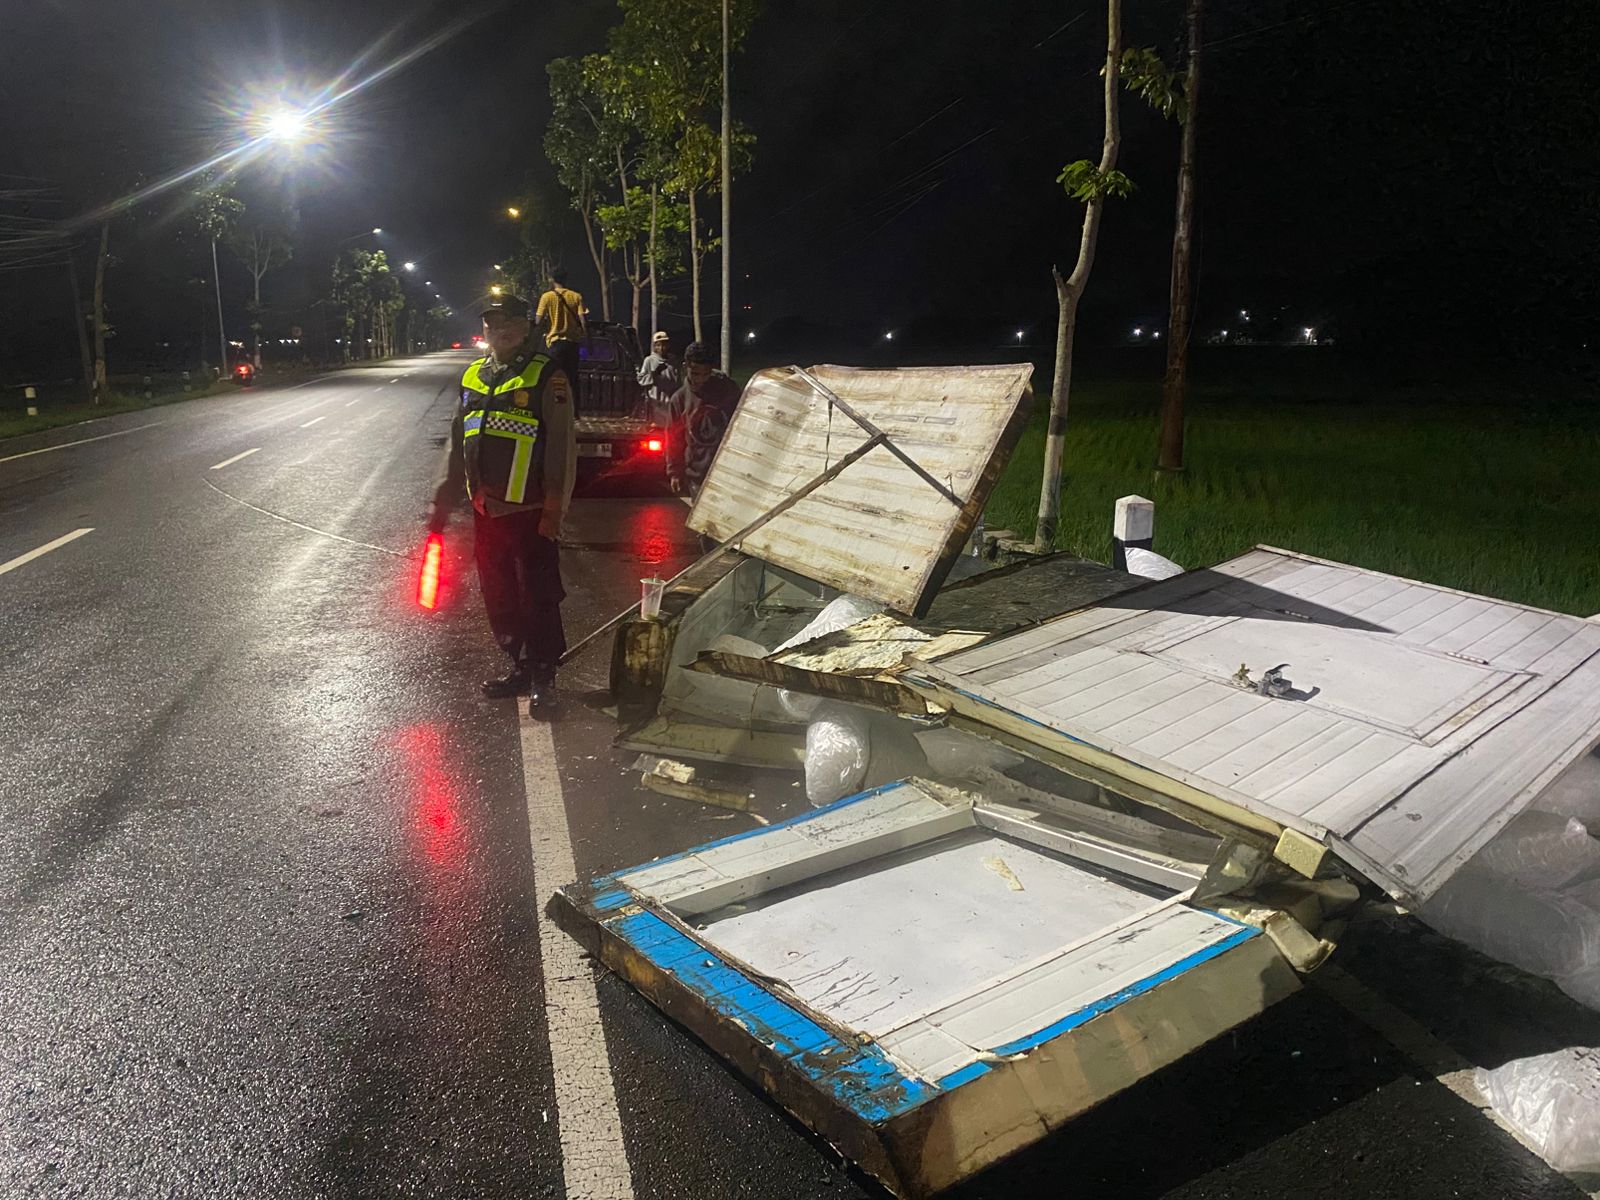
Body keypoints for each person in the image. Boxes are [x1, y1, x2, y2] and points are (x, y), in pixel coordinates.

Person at [428, 294, 576, 715]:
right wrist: (443, 498)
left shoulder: (546, 375)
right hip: (487, 511)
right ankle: (520, 665)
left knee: (539, 595)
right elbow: (458, 443)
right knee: (498, 594)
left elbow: (562, 447)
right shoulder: (473, 376)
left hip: (530, 510)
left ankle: (544, 676)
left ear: (525, 327)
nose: (499, 329)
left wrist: (554, 510)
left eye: (508, 321)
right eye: (492, 323)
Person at [665, 341, 741, 495]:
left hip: (727, 472)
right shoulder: (679, 399)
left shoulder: (727, 390)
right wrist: (675, 472)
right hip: (697, 476)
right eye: (695, 373)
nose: (700, 379)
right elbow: (673, 439)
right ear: (686, 366)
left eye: (705, 374)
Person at [534, 266, 587, 385]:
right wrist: (588, 340)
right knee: (572, 380)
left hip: (554, 344)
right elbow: (584, 322)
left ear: (551, 279)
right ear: (566, 279)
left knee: (555, 379)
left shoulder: (546, 297)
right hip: (572, 345)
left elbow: (538, 321)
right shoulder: (576, 296)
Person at [636, 330, 678, 419]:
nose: (661, 348)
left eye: (664, 345)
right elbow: (641, 380)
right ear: (654, 346)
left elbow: (677, 380)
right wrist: (655, 373)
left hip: (671, 401)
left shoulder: (673, 360)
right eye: (658, 345)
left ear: (668, 345)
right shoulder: (649, 360)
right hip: (655, 402)